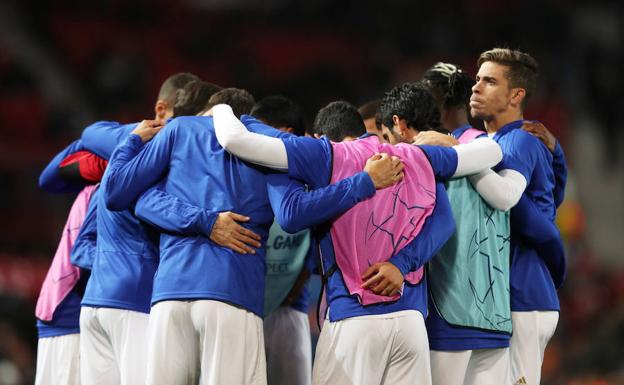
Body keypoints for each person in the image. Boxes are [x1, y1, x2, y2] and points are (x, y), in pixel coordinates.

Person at [98, 87, 402, 385]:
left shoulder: (178, 130)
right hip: (231, 295)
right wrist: (364, 182)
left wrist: (132, 141)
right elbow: (295, 213)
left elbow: (119, 193)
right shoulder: (266, 146)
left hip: (169, 298)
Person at [210, 97, 503, 385]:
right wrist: (401, 265)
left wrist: (224, 109)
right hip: (411, 323)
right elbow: (484, 162)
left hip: (354, 317)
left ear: (319, 137)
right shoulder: (416, 155)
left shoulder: (323, 154)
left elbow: (239, 144)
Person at [470, 48, 567, 385]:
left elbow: (509, 201)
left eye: (490, 81)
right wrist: (558, 158)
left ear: (516, 95)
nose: (477, 87)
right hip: (511, 291)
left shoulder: (519, 141)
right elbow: (552, 199)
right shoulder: (498, 141)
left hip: (523, 292)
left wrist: (459, 158)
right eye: (478, 79)